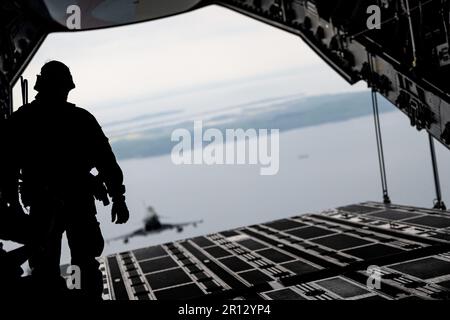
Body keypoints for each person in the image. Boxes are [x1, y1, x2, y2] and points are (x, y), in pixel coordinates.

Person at [4, 60, 129, 299]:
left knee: (49, 268)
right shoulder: (80, 119)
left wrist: (14, 205)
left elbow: (8, 166)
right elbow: (107, 162)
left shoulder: (23, 120)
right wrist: (118, 198)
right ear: (64, 87)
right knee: (78, 265)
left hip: (47, 204)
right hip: (73, 201)